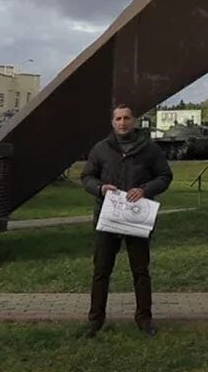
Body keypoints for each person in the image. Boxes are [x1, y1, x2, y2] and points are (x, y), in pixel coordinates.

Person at [80, 103, 173, 338]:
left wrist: (145, 189)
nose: (122, 122)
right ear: (112, 123)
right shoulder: (101, 149)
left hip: (136, 220)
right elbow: (86, 176)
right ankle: (95, 320)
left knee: (140, 272)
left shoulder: (149, 149)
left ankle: (144, 319)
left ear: (134, 121)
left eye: (127, 118)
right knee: (101, 271)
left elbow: (165, 176)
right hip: (108, 218)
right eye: (118, 119)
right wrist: (100, 188)